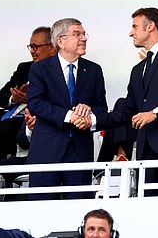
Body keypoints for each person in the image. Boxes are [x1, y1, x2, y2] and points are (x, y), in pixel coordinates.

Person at [96, 7, 158, 196]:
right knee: (148, 206)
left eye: (135, 26)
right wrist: (93, 121)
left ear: (150, 26)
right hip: (146, 147)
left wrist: (156, 113)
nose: (130, 32)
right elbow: (127, 111)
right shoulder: (138, 69)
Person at [26, 18, 108, 200]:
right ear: (60, 41)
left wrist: (88, 115)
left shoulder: (94, 70)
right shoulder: (40, 69)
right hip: (46, 152)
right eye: (77, 34)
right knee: (41, 209)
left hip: (80, 152)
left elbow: (101, 108)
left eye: (84, 34)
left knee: (80, 212)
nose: (84, 38)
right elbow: (36, 103)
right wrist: (70, 116)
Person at [0, 26, 56, 159]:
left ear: (52, 47)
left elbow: (58, 100)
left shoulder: (59, 71)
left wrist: (32, 99)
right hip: (12, 112)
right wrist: (14, 98)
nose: (32, 51)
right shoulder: (25, 68)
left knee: (7, 126)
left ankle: (6, 169)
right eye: (30, 47)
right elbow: (0, 98)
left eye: (36, 47)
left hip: (34, 116)